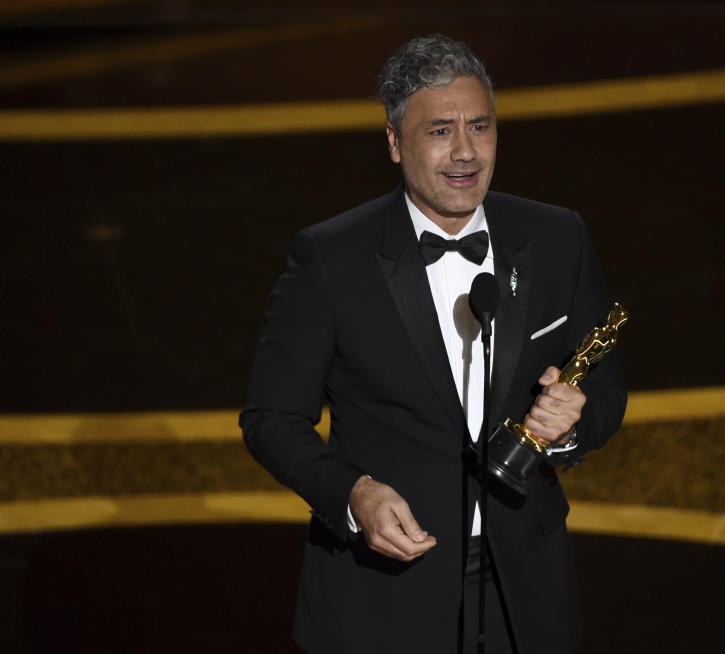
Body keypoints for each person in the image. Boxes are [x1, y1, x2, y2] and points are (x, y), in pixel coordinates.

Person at [240, 34, 626, 654]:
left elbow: (605, 390)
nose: (466, 152)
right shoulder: (330, 259)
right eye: (440, 131)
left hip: (526, 591)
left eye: (480, 125)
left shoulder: (557, 236)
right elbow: (271, 420)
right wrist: (353, 493)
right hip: (385, 595)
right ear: (394, 143)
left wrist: (572, 425)